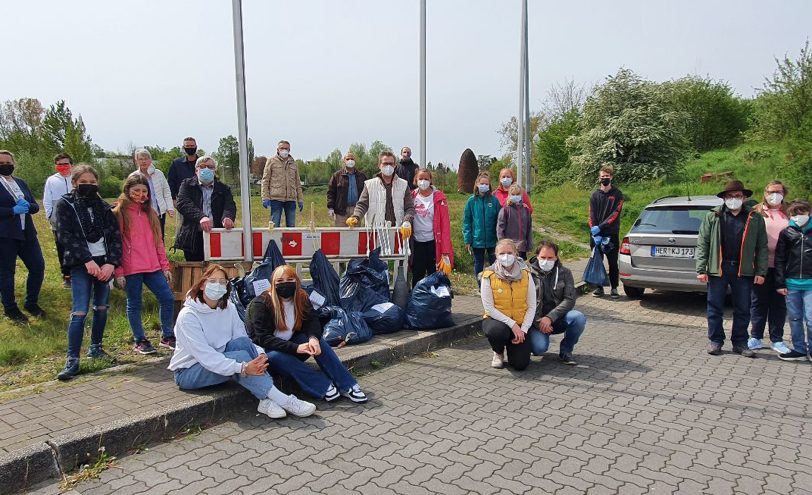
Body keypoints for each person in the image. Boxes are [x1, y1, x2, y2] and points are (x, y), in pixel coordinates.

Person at [169, 264, 316, 419]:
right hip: (189, 371)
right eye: (212, 281)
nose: (217, 286)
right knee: (239, 357)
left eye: (222, 282)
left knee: (243, 345)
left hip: (220, 357)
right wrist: (243, 367)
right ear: (202, 284)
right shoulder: (188, 316)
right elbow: (206, 357)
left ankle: (265, 399)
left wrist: (260, 354)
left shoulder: (228, 308)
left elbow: (242, 338)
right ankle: (284, 400)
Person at [245, 265, 369, 403]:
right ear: (273, 283)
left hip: (292, 348)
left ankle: (348, 385)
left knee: (318, 342)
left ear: (296, 281)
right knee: (277, 356)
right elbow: (262, 338)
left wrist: (313, 338)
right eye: (279, 281)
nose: (285, 284)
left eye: (290, 279)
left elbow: (312, 321)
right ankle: (322, 386)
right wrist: (296, 348)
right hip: (268, 355)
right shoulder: (261, 304)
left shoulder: (301, 297)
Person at [54, 165, 122, 380]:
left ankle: (96, 347)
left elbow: (114, 236)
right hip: (81, 263)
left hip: (104, 263)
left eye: (93, 183)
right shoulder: (65, 204)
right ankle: (72, 358)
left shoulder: (103, 207)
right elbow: (65, 235)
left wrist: (111, 263)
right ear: (74, 183)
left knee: (101, 307)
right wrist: (87, 260)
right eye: (84, 182)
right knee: (80, 311)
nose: (89, 186)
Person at [696, 180, 768, 358]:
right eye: (730, 196)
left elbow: (762, 246)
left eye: (737, 196)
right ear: (724, 198)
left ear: (744, 198)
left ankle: (740, 342)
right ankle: (715, 341)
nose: (733, 199)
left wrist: (761, 271)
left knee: (743, 308)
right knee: (714, 307)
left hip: (743, 270)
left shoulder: (755, 218)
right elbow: (703, 243)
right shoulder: (713, 216)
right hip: (718, 268)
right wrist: (701, 269)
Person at [113, 175, 176, 354]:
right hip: (131, 267)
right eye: (136, 191)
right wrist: (119, 271)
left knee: (167, 297)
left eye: (144, 191)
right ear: (128, 191)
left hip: (153, 266)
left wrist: (165, 266)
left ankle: (168, 335)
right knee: (134, 303)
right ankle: (139, 339)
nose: (141, 195)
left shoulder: (151, 212)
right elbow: (115, 244)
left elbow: (158, 241)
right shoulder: (119, 213)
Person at [0, 150, 46, 323]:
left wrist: (29, 206)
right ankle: (10, 308)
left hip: (27, 232)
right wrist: (11, 211)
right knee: (6, 272)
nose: (5, 165)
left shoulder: (20, 182)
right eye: (1, 163)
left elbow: (35, 206)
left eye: (8, 162)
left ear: (14, 163)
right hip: (5, 235)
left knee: (37, 267)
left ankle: (31, 302)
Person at [481, 239, 537, 370]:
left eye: (509, 252)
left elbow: (532, 306)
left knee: (520, 365)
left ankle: (513, 348)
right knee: (497, 332)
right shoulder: (488, 275)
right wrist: (512, 324)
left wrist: (523, 329)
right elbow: (489, 308)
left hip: (520, 324)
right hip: (497, 321)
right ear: (496, 255)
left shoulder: (526, 275)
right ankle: (498, 351)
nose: (506, 256)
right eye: (502, 253)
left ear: (516, 254)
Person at [748, 181, 790, 354]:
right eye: (771, 191)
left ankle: (777, 339)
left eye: (778, 192)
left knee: (779, 304)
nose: (775, 195)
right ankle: (756, 337)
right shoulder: (756, 211)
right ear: (765, 193)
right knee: (758, 302)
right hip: (761, 266)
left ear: (784, 194)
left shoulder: (789, 212)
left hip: (784, 267)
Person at [528, 240, 586, 365]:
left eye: (550, 258)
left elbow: (569, 300)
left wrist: (550, 317)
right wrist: (538, 321)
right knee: (539, 349)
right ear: (537, 256)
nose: (546, 261)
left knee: (578, 318)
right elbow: (522, 302)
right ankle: (533, 343)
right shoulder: (527, 274)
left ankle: (566, 351)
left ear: (556, 257)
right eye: (543, 257)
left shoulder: (565, 273)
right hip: (535, 321)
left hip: (557, 319)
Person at [174, 156, 237, 262]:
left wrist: (227, 217)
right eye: (203, 166)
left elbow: (229, 205)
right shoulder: (187, 185)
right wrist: (201, 217)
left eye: (210, 167)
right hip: (194, 236)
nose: (207, 169)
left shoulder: (223, 188)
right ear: (196, 170)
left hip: (217, 235)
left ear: (215, 170)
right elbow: (183, 203)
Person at [346, 151, 415, 242]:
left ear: (395, 166)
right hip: (375, 232)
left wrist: (407, 221)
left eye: (391, 164)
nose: (388, 166)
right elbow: (362, 205)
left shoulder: (404, 184)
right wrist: (356, 216)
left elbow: (409, 207)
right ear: (379, 165)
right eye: (385, 163)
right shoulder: (369, 184)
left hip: (398, 232)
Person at [774, 200, 812, 361]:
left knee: (811, 318)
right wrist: (780, 282)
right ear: (790, 215)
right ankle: (799, 349)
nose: (798, 217)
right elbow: (780, 259)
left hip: (810, 284)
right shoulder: (786, 233)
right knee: (795, 318)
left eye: (802, 213)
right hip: (791, 283)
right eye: (794, 214)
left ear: (809, 213)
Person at [409, 169, 453, 286]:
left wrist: (446, 251)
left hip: (433, 242)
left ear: (431, 180)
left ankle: (434, 301)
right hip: (417, 242)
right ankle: (417, 299)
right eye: (420, 179)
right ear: (416, 180)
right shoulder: (411, 196)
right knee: (417, 274)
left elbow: (445, 226)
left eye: (426, 179)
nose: (423, 181)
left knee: (434, 274)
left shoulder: (439, 198)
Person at [588, 164, 624, 298]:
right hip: (596, 235)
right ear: (599, 178)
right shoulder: (594, 195)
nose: (605, 178)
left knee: (613, 263)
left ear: (611, 177)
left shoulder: (618, 194)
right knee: (597, 261)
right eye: (603, 176)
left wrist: (601, 227)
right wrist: (594, 230)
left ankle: (614, 288)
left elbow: (615, 214)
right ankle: (599, 287)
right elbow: (591, 214)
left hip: (611, 234)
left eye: (607, 176)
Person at [43, 153, 74, 288]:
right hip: (58, 221)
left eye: (66, 164)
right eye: (60, 164)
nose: (63, 167)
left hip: (75, 220)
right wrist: (50, 216)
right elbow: (47, 200)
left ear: (71, 164)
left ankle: (80, 273)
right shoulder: (51, 180)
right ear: (56, 166)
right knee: (63, 249)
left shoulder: (76, 177)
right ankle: (67, 276)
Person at [463, 172, 501, 282]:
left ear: (489, 186)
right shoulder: (471, 201)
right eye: (482, 183)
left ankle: (495, 283)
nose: (484, 186)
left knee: (495, 263)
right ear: (477, 184)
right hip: (477, 239)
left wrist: (499, 238)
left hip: (492, 239)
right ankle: (480, 285)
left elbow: (499, 220)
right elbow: (467, 221)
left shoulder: (494, 201)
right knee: (478, 263)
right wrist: (467, 239)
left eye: (486, 184)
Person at [129, 149, 174, 239]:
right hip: (143, 212)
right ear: (136, 161)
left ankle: (160, 253)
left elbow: (166, 191)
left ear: (150, 160)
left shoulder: (159, 174)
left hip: (159, 212)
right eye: (141, 159)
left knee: (159, 237)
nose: (144, 161)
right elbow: (129, 196)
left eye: (146, 158)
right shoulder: (133, 176)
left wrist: (170, 208)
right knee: (146, 237)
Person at [261, 140, 303, 227]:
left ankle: (290, 241)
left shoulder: (293, 164)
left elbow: (298, 183)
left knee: (291, 226)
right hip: (276, 199)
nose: (284, 150)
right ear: (278, 149)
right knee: (274, 225)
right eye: (282, 148)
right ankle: (273, 241)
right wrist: (265, 197)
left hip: (291, 199)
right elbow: (265, 180)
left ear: (289, 150)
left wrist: (300, 199)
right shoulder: (271, 161)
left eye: (286, 148)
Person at [326, 152, 366, 227]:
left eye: (352, 159)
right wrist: (330, 207)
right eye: (348, 159)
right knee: (341, 234)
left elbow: (366, 194)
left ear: (355, 161)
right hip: (341, 211)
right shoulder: (337, 176)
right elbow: (331, 192)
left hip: (356, 210)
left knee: (355, 234)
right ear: (344, 161)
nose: (350, 160)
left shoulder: (361, 176)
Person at [497, 184, 533, 260]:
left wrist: (529, 246)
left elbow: (529, 229)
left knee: (520, 269)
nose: (515, 196)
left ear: (521, 195)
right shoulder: (505, 210)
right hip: (509, 247)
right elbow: (500, 230)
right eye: (513, 194)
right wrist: (502, 245)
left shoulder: (526, 210)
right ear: (509, 195)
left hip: (522, 246)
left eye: (517, 194)